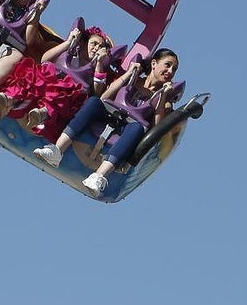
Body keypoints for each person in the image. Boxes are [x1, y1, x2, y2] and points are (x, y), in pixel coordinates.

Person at [35, 48, 180, 196]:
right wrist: (129, 75)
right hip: (109, 113)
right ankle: (56, 150)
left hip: (129, 127)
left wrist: (163, 97)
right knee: (94, 102)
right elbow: (105, 97)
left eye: (174, 69)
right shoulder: (134, 79)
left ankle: (99, 176)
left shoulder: (164, 101)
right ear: (154, 63)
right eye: (167, 65)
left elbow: (157, 128)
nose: (170, 71)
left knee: (137, 128)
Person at [0, 25, 113, 141]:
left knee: (62, 91)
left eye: (100, 47)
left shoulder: (95, 70)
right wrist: (69, 43)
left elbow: (97, 93)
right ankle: (9, 98)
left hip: (63, 97)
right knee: (33, 73)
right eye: (93, 44)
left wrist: (100, 64)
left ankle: (42, 114)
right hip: (44, 85)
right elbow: (45, 59)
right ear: (83, 43)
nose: (96, 49)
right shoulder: (69, 56)